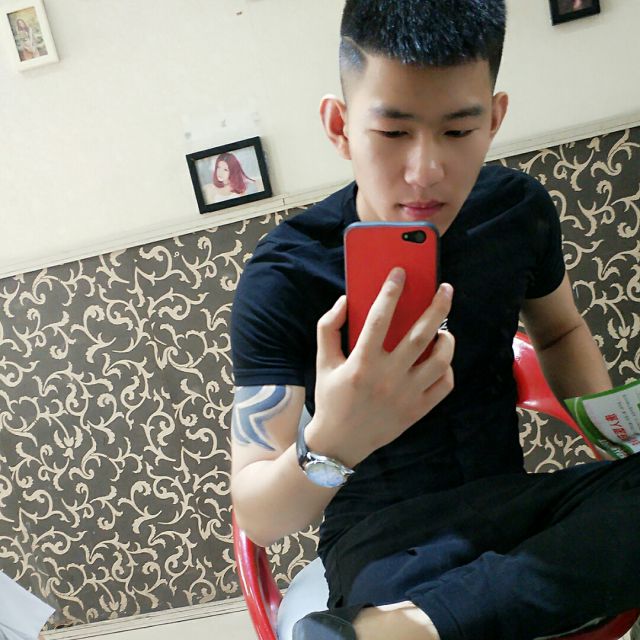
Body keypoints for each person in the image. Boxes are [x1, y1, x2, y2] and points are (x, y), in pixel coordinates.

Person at [230, 1, 640, 639]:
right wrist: (334, 441)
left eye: (457, 131)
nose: (425, 172)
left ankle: (398, 631)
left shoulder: (517, 211)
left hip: (507, 502)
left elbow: (560, 331)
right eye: (393, 133)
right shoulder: (286, 274)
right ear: (340, 126)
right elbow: (259, 517)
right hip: (385, 544)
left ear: (494, 118)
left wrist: (617, 445)